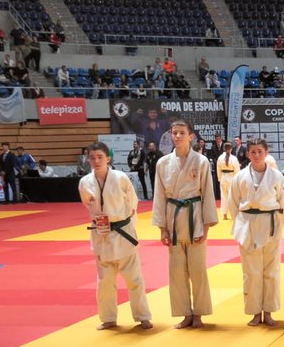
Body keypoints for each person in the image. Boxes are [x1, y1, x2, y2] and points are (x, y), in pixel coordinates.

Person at [151, 119, 218, 328]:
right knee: (176, 271)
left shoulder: (201, 161)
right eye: (174, 133)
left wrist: (205, 228)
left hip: (195, 216)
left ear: (191, 136)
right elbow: (159, 196)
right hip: (172, 218)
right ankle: (184, 313)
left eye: (181, 133)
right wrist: (162, 228)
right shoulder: (162, 163)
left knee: (198, 269)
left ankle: (199, 313)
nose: (177, 136)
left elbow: (208, 193)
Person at [79, 141, 152, 331]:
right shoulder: (85, 182)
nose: (96, 161)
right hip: (101, 233)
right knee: (104, 280)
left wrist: (128, 226)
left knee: (134, 278)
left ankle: (142, 316)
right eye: (92, 157)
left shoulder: (120, 178)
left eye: (100, 157)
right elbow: (88, 205)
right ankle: (108, 318)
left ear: (108, 158)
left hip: (123, 232)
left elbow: (133, 203)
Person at [228, 137, 284, 327]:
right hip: (247, 224)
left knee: (271, 270)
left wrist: (278, 223)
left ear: (266, 153)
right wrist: (240, 223)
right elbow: (233, 204)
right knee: (251, 271)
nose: (256, 155)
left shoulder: (277, 176)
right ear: (247, 154)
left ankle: (269, 311)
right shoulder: (239, 177)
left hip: (270, 224)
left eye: (260, 152)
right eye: (253, 152)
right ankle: (255, 311)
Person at [216, 141, 239, 219]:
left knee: (224, 197)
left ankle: (224, 215)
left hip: (223, 178)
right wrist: (237, 181)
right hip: (232, 178)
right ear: (231, 149)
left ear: (223, 148)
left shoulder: (220, 158)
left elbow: (218, 170)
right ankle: (233, 214)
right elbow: (237, 170)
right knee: (232, 197)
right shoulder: (234, 158)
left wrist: (219, 179)